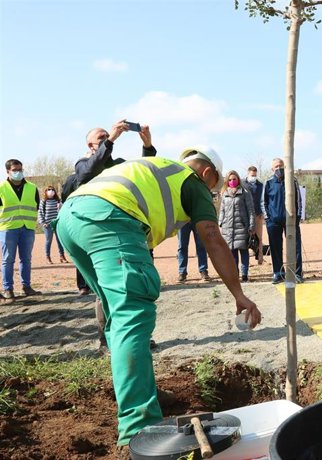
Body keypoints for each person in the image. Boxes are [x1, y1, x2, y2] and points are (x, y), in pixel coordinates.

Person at [54, 146, 262, 451]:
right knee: (132, 314)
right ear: (207, 173)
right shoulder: (191, 180)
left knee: (116, 316)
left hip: (70, 220)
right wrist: (239, 294)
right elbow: (212, 235)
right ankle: (138, 429)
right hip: (110, 219)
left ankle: (140, 391)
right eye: (212, 187)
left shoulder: (157, 167)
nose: (210, 194)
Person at [62, 120, 157, 354]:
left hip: (126, 230)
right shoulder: (83, 166)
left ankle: (138, 337)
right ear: (90, 145)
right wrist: (112, 139)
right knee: (107, 288)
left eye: (108, 136)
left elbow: (144, 171)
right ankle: (106, 339)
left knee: (135, 282)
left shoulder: (118, 165)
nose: (106, 139)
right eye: (101, 138)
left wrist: (147, 146)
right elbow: (89, 170)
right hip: (99, 235)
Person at [0, 159, 41, 302]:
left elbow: (36, 206)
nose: (18, 172)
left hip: (27, 228)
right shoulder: (1, 188)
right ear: (8, 172)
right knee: (8, 259)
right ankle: (8, 289)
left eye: (20, 170)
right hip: (7, 229)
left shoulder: (32, 187)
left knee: (26, 259)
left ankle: (27, 287)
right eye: (15, 170)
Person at [261, 158, 304, 284]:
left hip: (291, 220)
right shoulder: (268, 182)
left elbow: (299, 200)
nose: (278, 168)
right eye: (276, 166)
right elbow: (263, 202)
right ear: (272, 169)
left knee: (295, 247)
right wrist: (268, 218)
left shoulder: (292, 181)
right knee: (275, 248)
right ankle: (278, 273)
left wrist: (297, 217)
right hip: (273, 221)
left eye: (280, 166)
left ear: (285, 167)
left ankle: (297, 273)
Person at [218, 170, 255, 282]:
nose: (232, 181)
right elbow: (222, 210)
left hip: (242, 227)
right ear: (227, 181)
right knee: (232, 253)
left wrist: (252, 225)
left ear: (238, 179)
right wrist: (220, 223)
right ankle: (235, 274)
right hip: (228, 228)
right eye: (229, 180)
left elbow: (251, 210)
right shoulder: (224, 194)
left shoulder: (244, 192)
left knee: (243, 252)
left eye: (234, 179)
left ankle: (244, 275)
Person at [39, 185, 67, 264]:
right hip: (48, 225)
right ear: (46, 191)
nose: (50, 191)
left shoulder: (58, 201)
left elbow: (63, 210)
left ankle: (62, 256)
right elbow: (40, 212)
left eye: (52, 189)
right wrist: (43, 223)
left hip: (57, 224)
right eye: (49, 190)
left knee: (60, 241)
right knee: (48, 241)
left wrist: (60, 206)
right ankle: (48, 257)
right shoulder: (43, 201)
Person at [243, 165, 264, 265]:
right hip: (245, 215)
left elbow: (262, 200)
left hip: (257, 214)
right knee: (245, 238)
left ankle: (260, 257)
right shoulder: (242, 184)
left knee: (259, 237)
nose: (253, 177)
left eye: (255, 175)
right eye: (252, 175)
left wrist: (262, 212)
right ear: (248, 173)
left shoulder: (260, 185)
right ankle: (245, 261)